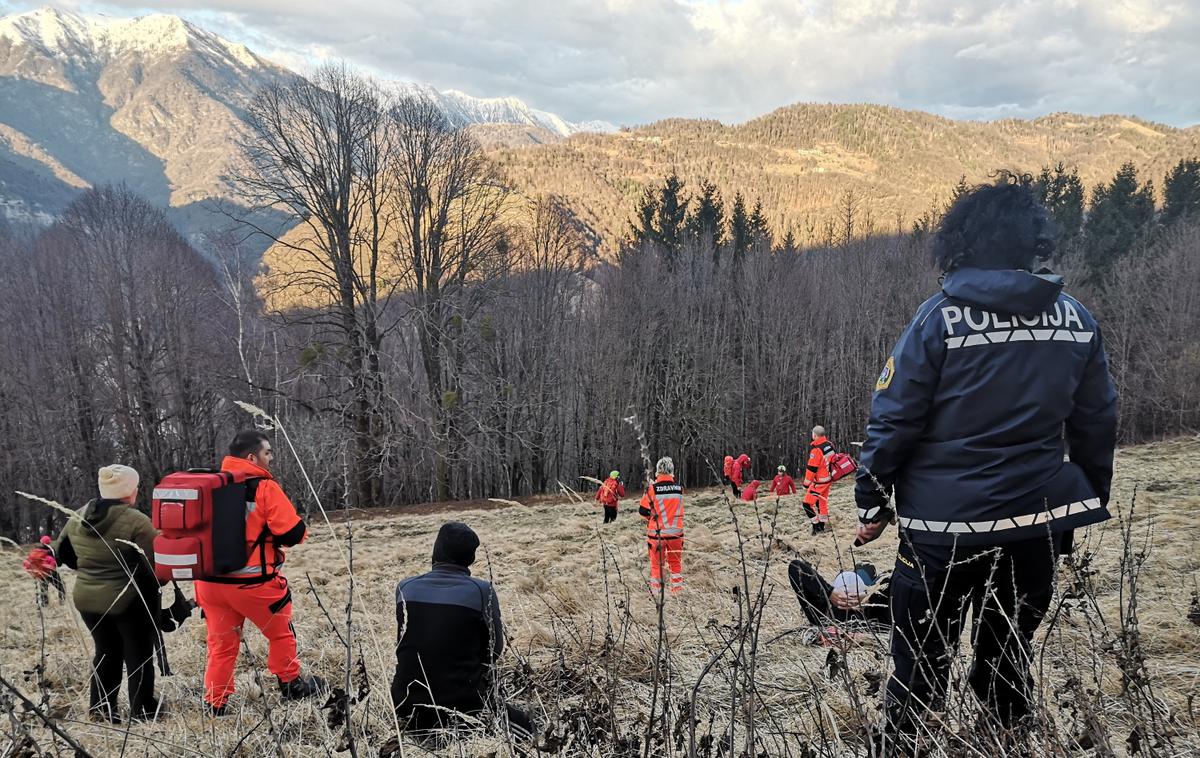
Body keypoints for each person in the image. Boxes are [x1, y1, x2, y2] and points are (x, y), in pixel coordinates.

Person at [853, 176, 1118, 751]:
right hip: (1037, 525)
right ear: (1033, 244)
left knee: (920, 674)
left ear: (961, 243)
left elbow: (895, 416)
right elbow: (1098, 419)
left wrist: (871, 499)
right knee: (1007, 668)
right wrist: (1087, 494)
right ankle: (1008, 742)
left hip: (942, 534)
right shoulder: (1076, 320)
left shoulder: (938, 320)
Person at [194, 430, 326, 715]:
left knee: (221, 645)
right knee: (281, 634)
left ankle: (215, 703)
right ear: (252, 457)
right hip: (253, 583)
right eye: (268, 453)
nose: (271, 458)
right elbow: (292, 533)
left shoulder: (207, 485)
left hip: (209, 584)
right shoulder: (264, 487)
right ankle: (291, 685)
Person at [392, 522, 533, 737]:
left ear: (436, 551)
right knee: (527, 727)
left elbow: (403, 644)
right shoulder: (482, 591)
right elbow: (495, 650)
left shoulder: (405, 587)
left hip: (404, 704)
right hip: (464, 708)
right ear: (471, 558)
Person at [46, 465, 164, 722]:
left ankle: (101, 711)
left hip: (87, 600)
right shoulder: (137, 521)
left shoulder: (77, 516)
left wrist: (88, 570)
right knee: (138, 654)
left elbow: (62, 552)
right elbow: (153, 566)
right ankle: (142, 711)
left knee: (106, 651)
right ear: (129, 492)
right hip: (127, 600)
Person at [787, 559, 891, 627]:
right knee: (866, 566)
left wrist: (828, 592)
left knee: (862, 567)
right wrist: (869, 594)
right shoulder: (877, 611)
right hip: (866, 589)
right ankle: (861, 577)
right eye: (844, 598)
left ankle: (853, 576)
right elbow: (893, 578)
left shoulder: (821, 614)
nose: (848, 602)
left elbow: (795, 567)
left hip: (858, 589)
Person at [639, 457, 685, 595]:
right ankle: (678, 594)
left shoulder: (652, 489)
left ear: (658, 471)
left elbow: (643, 511)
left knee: (657, 566)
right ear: (672, 471)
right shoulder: (679, 489)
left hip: (657, 536)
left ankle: (657, 596)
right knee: (675, 566)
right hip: (676, 534)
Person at [802, 427, 835, 534]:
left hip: (819, 482)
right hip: (828, 480)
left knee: (806, 504)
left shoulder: (816, 450)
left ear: (815, 435)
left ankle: (816, 526)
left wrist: (806, 484)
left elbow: (811, 469)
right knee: (821, 503)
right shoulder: (829, 445)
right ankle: (822, 524)